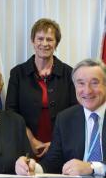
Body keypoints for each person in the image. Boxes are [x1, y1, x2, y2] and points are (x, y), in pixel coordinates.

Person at [16, 58, 106, 177]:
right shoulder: (65, 119)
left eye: (95, 83)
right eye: (81, 83)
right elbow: (52, 162)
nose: (87, 90)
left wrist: (92, 167)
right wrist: (32, 167)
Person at [5, 18, 77, 158]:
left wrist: (55, 142)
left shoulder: (69, 73)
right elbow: (11, 112)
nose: (44, 44)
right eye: (40, 38)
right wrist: (31, 140)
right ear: (33, 41)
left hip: (62, 145)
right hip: (25, 145)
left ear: (56, 43)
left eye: (50, 39)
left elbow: (75, 112)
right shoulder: (17, 73)